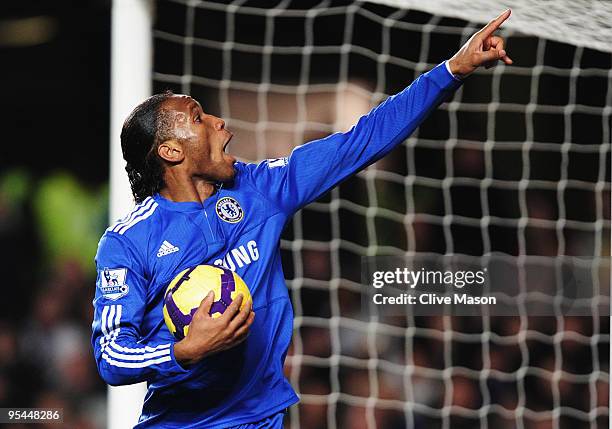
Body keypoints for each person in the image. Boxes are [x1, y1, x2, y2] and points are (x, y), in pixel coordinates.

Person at [91, 10, 512, 428]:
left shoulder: (260, 189)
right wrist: (183, 350)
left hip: (262, 418)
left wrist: (453, 69)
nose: (220, 122)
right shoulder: (128, 241)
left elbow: (362, 140)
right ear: (170, 152)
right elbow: (111, 355)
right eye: (199, 118)